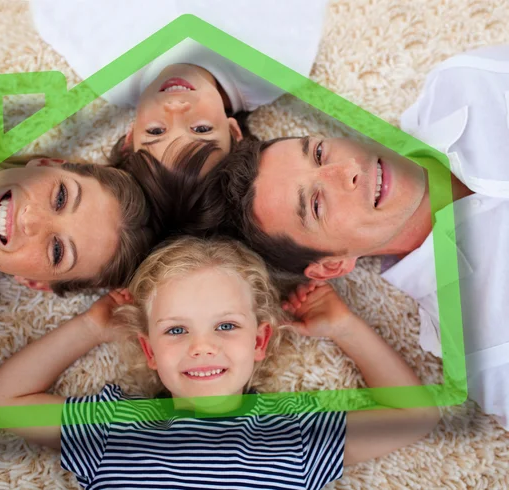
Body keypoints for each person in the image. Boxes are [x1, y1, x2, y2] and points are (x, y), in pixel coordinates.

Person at [0, 237, 439, 490]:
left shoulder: (296, 436)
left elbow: (414, 416)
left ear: (260, 340)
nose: (202, 347)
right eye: (177, 330)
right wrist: (92, 326)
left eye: (226, 327)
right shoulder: (114, 429)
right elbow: (2, 400)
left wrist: (345, 328)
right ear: (151, 351)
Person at [215, 44, 509, 429]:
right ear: (333, 264)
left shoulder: (463, 82)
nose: (348, 170)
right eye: (317, 205)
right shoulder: (487, 352)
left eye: (319, 153)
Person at [0, 66, 154, 409]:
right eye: (60, 198)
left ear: (34, 281)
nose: (32, 221)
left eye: (57, 250)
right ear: (47, 162)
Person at [29, 0, 329, 172]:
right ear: (234, 133)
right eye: (201, 129)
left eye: (155, 132)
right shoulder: (272, 69)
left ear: (129, 137)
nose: (175, 109)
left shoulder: (114, 76)